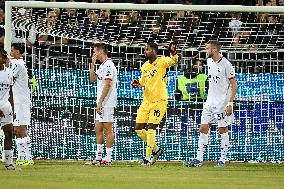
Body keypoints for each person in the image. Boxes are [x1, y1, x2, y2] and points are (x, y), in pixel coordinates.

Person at [184, 40, 238, 167]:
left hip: (222, 103)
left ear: (214, 50)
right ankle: (198, 159)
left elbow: (234, 85)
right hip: (209, 101)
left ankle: (222, 160)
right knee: (203, 127)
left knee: (222, 129)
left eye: (207, 48)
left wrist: (230, 103)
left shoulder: (227, 64)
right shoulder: (209, 61)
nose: (205, 51)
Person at [131, 41, 180, 165]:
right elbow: (143, 81)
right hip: (146, 101)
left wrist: (173, 52)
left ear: (153, 50)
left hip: (159, 101)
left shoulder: (162, 61)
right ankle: (156, 150)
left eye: (147, 49)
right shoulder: (144, 66)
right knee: (138, 129)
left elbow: (174, 61)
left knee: (151, 128)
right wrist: (138, 83)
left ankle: (147, 159)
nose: (144, 52)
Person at [89, 43, 117, 165]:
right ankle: (98, 157)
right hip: (100, 102)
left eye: (95, 51)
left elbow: (107, 85)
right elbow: (92, 79)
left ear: (100, 51)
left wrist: (100, 103)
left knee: (107, 130)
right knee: (98, 128)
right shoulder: (102, 66)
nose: (93, 53)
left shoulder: (109, 65)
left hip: (107, 102)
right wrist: (92, 64)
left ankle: (109, 158)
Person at [10, 43, 34, 166]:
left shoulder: (18, 64)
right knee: (16, 128)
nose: (10, 52)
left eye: (12, 50)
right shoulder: (15, 63)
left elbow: (9, 79)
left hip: (22, 100)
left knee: (22, 128)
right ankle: (20, 156)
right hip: (16, 100)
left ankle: (28, 157)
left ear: (18, 52)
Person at [0, 49, 16, 170]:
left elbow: (10, 92)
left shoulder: (9, 72)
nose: (1, 58)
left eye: (3, 56)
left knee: (9, 134)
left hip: (6, 107)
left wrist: (13, 109)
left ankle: (9, 164)